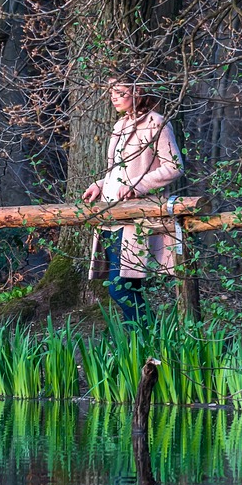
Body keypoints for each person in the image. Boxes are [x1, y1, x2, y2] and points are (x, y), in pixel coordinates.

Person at [82, 80, 184, 325]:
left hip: (135, 219)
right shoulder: (120, 125)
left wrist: (137, 186)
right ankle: (144, 350)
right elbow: (116, 171)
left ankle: (151, 340)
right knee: (126, 287)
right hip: (111, 217)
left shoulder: (156, 123)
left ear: (137, 91)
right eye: (111, 93)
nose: (113, 98)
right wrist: (100, 184)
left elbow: (174, 167)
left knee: (120, 288)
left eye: (119, 93)